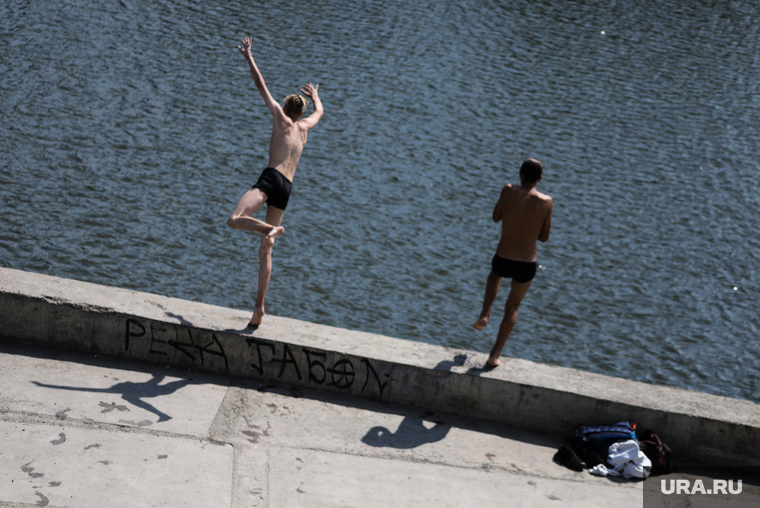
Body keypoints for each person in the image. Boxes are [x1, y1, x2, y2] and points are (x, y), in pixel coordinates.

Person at [227, 36, 324, 327]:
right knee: (265, 249)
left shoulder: (281, 118)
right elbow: (321, 112)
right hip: (287, 188)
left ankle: (273, 228)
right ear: (302, 112)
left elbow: (260, 85)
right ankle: (259, 308)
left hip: (271, 179)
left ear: (285, 108)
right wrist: (316, 96)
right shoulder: (305, 128)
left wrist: (248, 57)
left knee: (235, 219)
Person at [471, 158, 553, 367]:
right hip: (527, 262)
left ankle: (484, 314)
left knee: (495, 275)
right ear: (540, 179)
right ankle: (494, 356)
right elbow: (544, 237)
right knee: (513, 306)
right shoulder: (546, 202)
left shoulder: (508, 190)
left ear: (520, 174)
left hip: (504, 255)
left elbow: (496, 217)